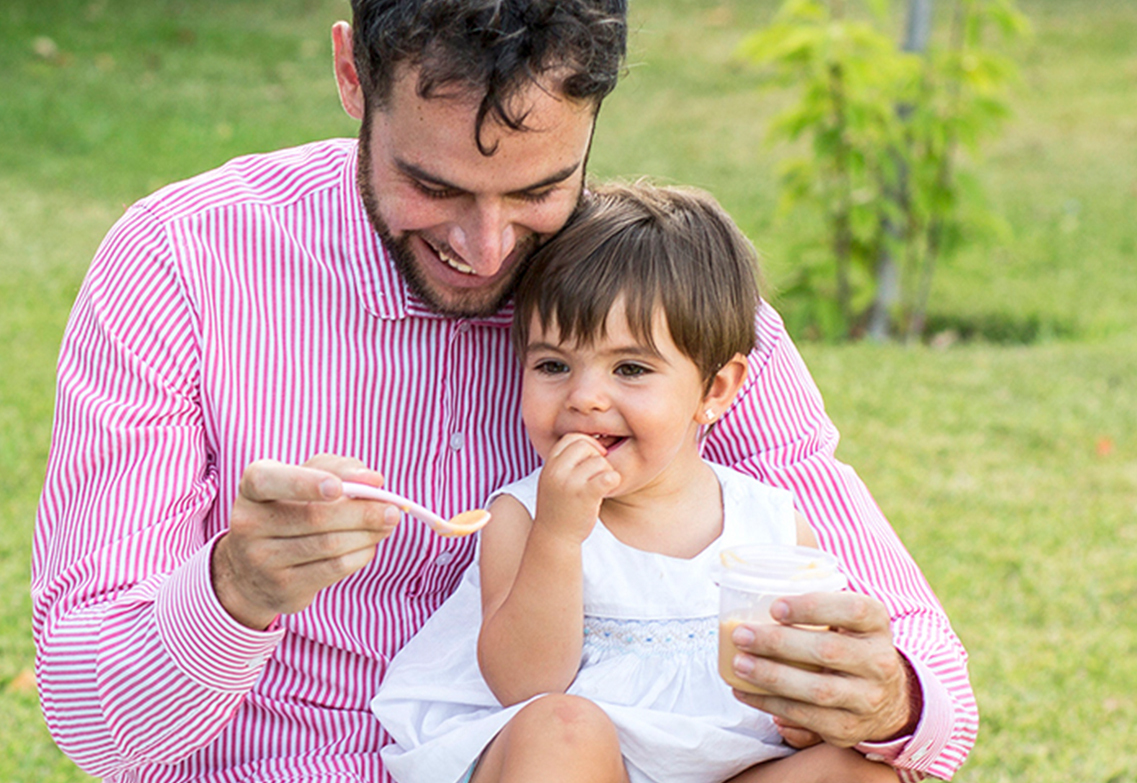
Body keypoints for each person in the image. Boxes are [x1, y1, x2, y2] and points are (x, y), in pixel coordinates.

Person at [30, 1, 975, 782]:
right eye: (431, 185)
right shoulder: (180, 263)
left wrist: (882, 695)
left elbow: (932, 691)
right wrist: (235, 585)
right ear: (352, 74)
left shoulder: (667, 305)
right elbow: (96, 725)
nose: (484, 250)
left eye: (536, 190)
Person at [370, 181, 900, 783]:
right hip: (569, 763)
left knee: (854, 771)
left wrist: (809, 711)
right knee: (562, 727)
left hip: (721, 765)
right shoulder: (524, 517)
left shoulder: (770, 523)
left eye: (630, 368)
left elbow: (811, 694)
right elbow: (525, 685)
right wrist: (560, 537)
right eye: (552, 365)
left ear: (716, 390)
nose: (585, 397)